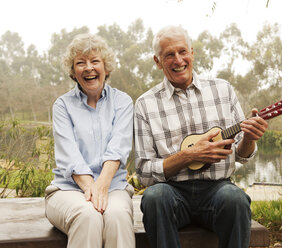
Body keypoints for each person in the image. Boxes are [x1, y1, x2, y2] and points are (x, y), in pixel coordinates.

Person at [134, 25, 268, 248]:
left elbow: (242, 156)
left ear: (192, 52)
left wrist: (249, 138)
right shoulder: (145, 104)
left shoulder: (222, 90)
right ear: (157, 61)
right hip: (172, 192)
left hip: (217, 189)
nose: (178, 60)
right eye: (169, 55)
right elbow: (144, 173)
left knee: (236, 200)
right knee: (154, 198)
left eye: (183, 51)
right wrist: (187, 156)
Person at [45, 33, 135, 248]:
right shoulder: (62, 106)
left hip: (113, 187)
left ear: (106, 67)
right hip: (67, 190)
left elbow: (118, 150)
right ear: (73, 72)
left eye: (95, 61)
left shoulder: (122, 102)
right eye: (80, 63)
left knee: (117, 217)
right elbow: (70, 156)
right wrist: (92, 191)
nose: (88, 68)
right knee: (88, 215)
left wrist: (101, 187)